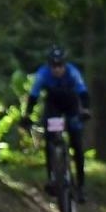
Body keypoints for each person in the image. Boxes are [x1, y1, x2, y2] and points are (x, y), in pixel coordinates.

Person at [23, 46, 90, 203]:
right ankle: (53, 177)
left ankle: (80, 186)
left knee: (77, 144)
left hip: (71, 105)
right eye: (54, 66)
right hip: (53, 106)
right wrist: (26, 115)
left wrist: (85, 110)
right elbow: (33, 95)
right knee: (50, 139)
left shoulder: (73, 72)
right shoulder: (43, 74)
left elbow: (83, 92)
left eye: (60, 65)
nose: (57, 69)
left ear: (65, 65)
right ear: (49, 65)